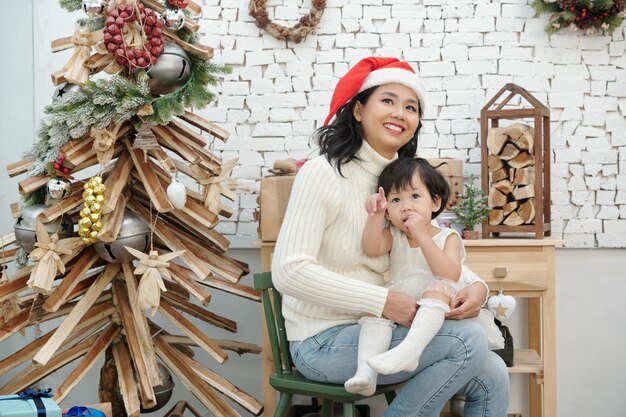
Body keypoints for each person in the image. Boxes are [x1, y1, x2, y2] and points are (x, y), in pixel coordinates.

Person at [272, 57, 509, 417]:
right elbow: (288, 271)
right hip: (322, 340)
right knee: (467, 340)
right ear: (358, 110)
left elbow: (421, 252)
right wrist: (382, 301)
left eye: (411, 107)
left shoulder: (402, 183)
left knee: (492, 374)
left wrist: (479, 289)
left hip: (381, 327)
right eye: (388, 100)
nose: (400, 113)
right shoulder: (322, 172)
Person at [345, 157, 504, 396]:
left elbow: (448, 274)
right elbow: (371, 247)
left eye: (415, 197)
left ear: (435, 202)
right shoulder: (394, 236)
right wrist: (375, 216)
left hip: (439, 309)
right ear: (389, 210)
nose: (406, 206)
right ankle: (366, 373)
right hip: (407, 308)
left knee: (438, 287)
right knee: (375, 306)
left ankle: (411, 350)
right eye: (396, 200)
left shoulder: (447, 237)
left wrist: (422, 235)